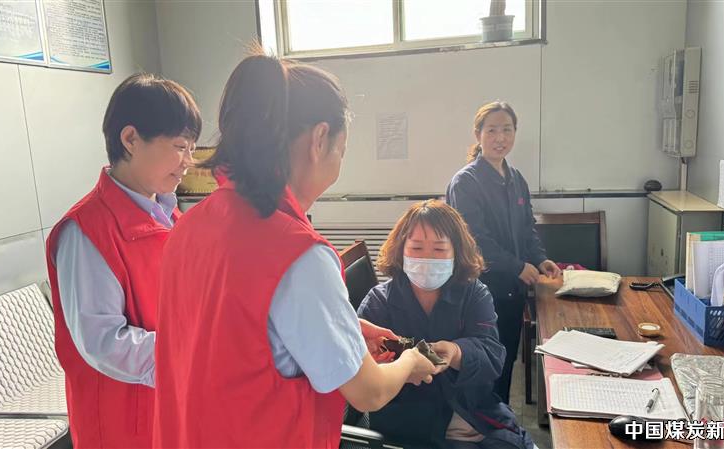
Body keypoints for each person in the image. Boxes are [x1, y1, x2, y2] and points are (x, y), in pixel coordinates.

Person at [152, 51, 437, 448]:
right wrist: (409, 363)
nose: (339, 159)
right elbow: (368, 391)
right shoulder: (298, 254)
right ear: (320, 140)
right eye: (342, 147)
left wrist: (345, 329)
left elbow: (234, 335)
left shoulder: (190, 226)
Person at [45, 73, 201, 448]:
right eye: (180, 147)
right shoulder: (87, 231)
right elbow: (103, 342)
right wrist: (193, 355)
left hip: (167, 409)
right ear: (130, 139)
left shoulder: (169, 217)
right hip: (122, 425)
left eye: (191, 148)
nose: (189, 162)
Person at [357, 200, 534, 449]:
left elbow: (493, 356)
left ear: (456, 253)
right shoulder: (379, 302)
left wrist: (457, 352)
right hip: (407, 423)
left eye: (439, 249)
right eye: (416, 247)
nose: (427, 258)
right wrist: (396, 368)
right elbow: (363, 377)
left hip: (471, 409)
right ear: (400, 250)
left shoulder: (473, 293)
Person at [446, 102, 561, 404]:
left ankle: (499, 417)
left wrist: (540, 259)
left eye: (507, 130)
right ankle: (480, 421)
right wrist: (517, 266)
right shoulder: (466, 182)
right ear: (478, 134)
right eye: (492, 130)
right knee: (484, 364)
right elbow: (475, 240)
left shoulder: (515, 178)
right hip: (482, 290)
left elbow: (526, 228)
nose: (500, 137)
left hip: (513, 289)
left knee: (505, 358)